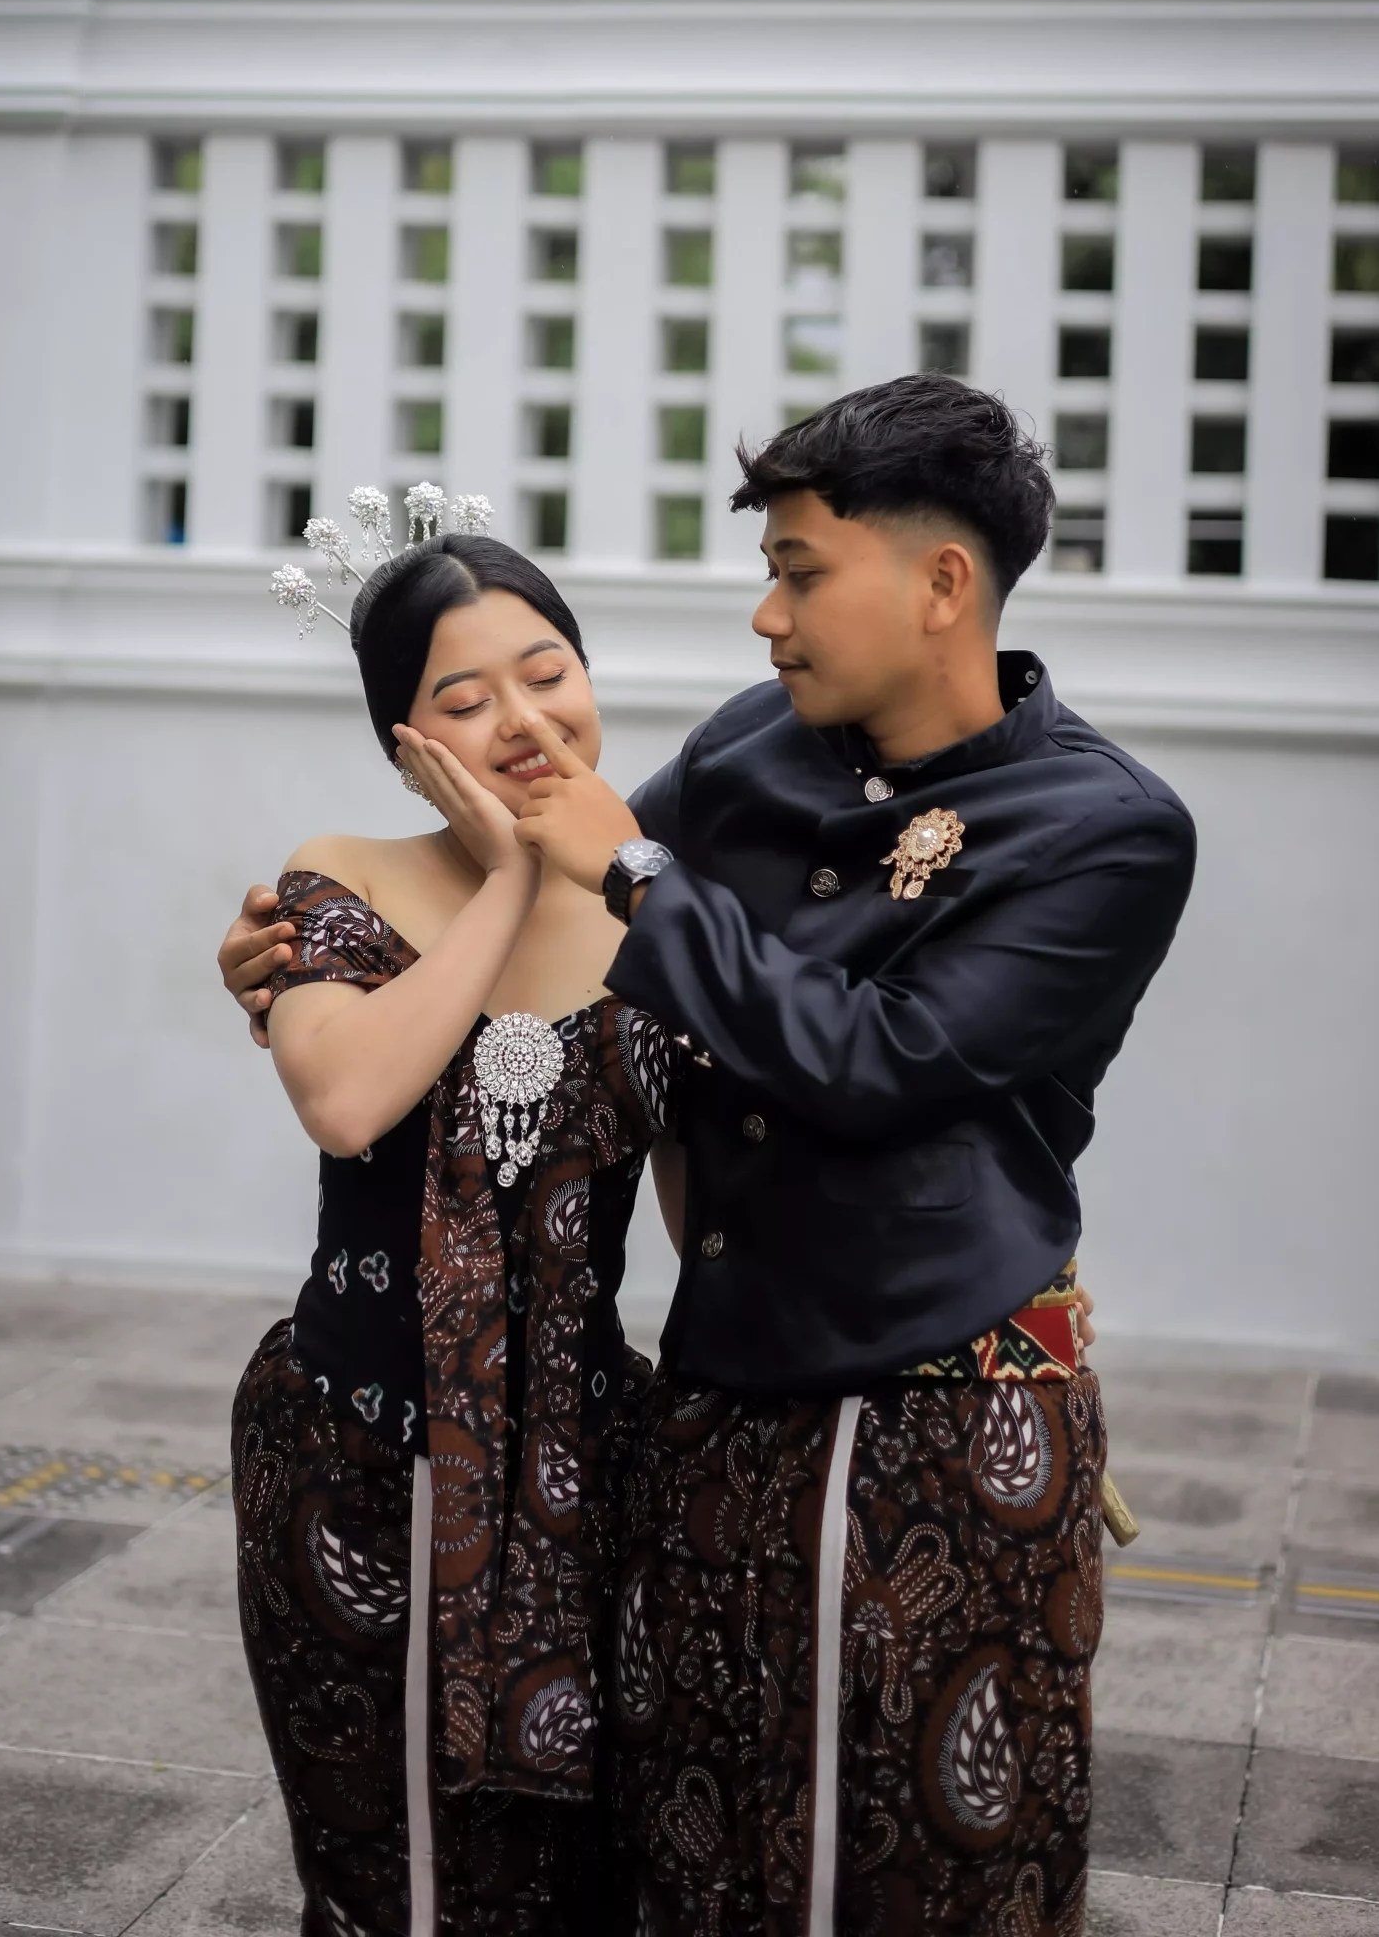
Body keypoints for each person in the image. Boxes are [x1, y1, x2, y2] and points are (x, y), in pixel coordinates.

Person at [499, 376, 1197, 1936]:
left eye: (800, 572)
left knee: (921, 1860)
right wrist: (327, 948)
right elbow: (555, 903)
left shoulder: (1101, 827)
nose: (767, 618)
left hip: (937, 1415)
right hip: (718, 1389)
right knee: (701, 1845)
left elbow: (877, 1064)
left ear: (941, 582)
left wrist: (635, 872)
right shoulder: (753, 744)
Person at [229, 529, 679, 1936]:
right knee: (385, 1873)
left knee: (583, 1877)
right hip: (356, 1453)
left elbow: (717, 1205)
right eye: (467, 700)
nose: (524, 721)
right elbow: (346, 1099)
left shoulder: (665, 910)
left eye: (548, 674)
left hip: (589, 1467)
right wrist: (503, 881)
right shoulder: (341, 877)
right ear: (404, 742)